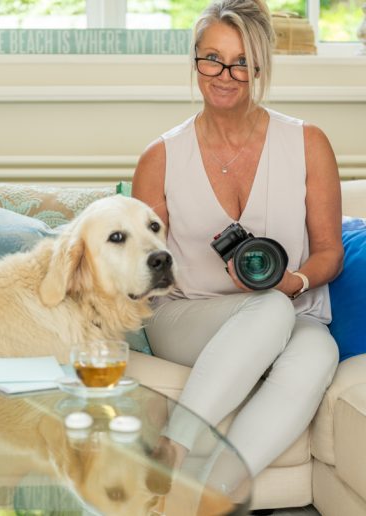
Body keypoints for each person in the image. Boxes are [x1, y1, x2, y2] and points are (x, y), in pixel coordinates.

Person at [132, 0, 343, 480]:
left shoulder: (308, 143)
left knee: (318, 351)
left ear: (261, 65)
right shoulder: (160, 157)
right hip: (189, 315)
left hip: (288, 308)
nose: (224, 74)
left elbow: (331, 251)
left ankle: (210, 493)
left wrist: (294, 281)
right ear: (195, 59)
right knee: (268, 308)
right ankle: (176, 446)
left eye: (241, 62)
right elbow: (145, 271)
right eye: (212, 58)